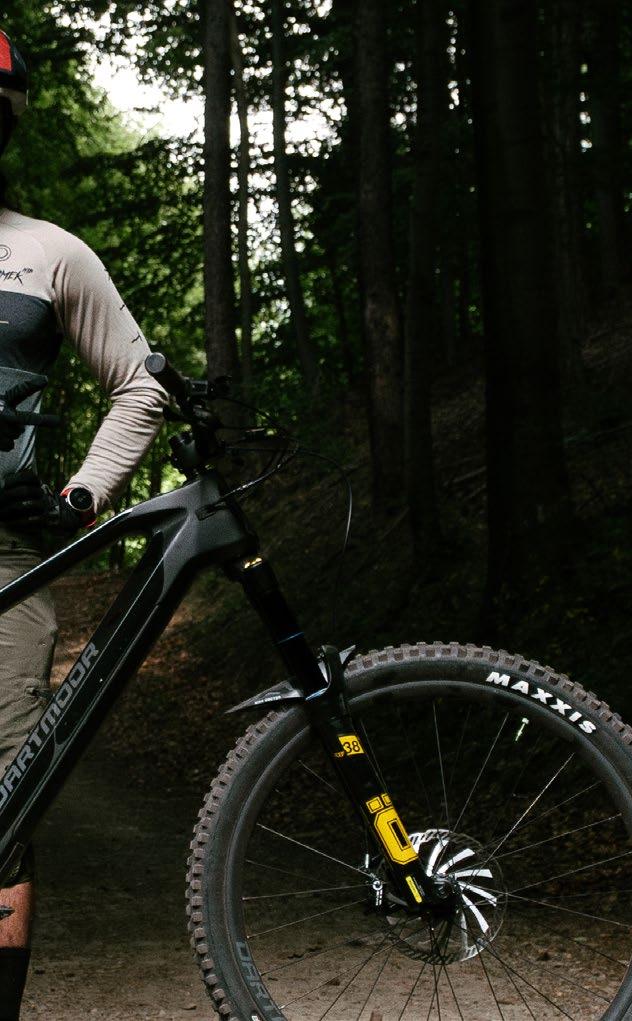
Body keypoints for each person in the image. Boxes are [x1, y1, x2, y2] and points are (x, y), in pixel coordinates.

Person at [0, 28, 166, 1020]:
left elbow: (140, 385)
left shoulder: (51, 254)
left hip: (6, 558)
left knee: (2, 810)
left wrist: (77, 500)